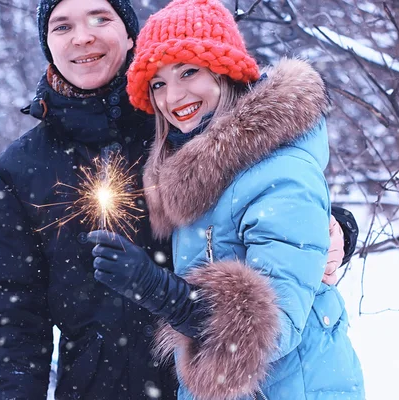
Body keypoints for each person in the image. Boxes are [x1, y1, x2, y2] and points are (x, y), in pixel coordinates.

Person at [0, 0, 358, 399]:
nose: (83, 36)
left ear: (129, 34)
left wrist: (336, 227)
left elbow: (269, 200)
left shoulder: (182, 125)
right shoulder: (22, 167)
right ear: (47, 44)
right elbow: (12, 319)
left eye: (100, 18)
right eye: (62, 26)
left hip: (218, 382)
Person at [89, 0, 365, 399]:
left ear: (224, 71)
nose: (173, 96)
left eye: (188, 71)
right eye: (159, 83)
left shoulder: (279, 172)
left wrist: (159, 291)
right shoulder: (192, 170)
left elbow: (272, 331)